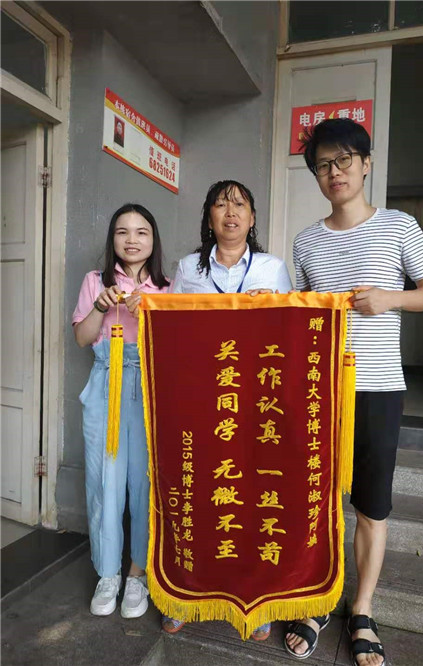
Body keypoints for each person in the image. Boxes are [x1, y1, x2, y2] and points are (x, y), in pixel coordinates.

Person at [284, 119, 423, 666]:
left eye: (344, 160)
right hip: (320, 391)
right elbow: (301, 316)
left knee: (371, 507)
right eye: (323, 165)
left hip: (378, 388)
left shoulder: (399, 226)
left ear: (365, 163)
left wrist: (389, 298)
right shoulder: (306, 241)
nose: (335, 172)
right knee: (320, 501)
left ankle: (362, 609)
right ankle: (319, 599)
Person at [127, 179, 293, 640]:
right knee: (199, 493)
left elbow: (290, 331)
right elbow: (170, 328)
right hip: (201, 399)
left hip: (254, 404)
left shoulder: (273, 268)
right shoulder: (187, 268)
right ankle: (185, 594)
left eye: (239, 205)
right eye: (221, 205)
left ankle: (255, 601)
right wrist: (146, 307)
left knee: (252, 498)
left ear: (252, 218)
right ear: (209, 217)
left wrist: (273, 308)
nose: (230, 212)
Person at [73, 203, 170, 619]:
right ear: (112, 239)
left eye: (141, 231)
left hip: (150, 388)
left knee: (146, 483)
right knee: (104, 481)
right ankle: (108, 573)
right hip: (105, 384)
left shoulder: (168, 287)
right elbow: (82, 339)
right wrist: (100, 307)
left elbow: (177, 349)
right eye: (122, 232)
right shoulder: (95, 281)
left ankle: (137, 574)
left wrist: (149, 315)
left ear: (153, 239)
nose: (132, 240)